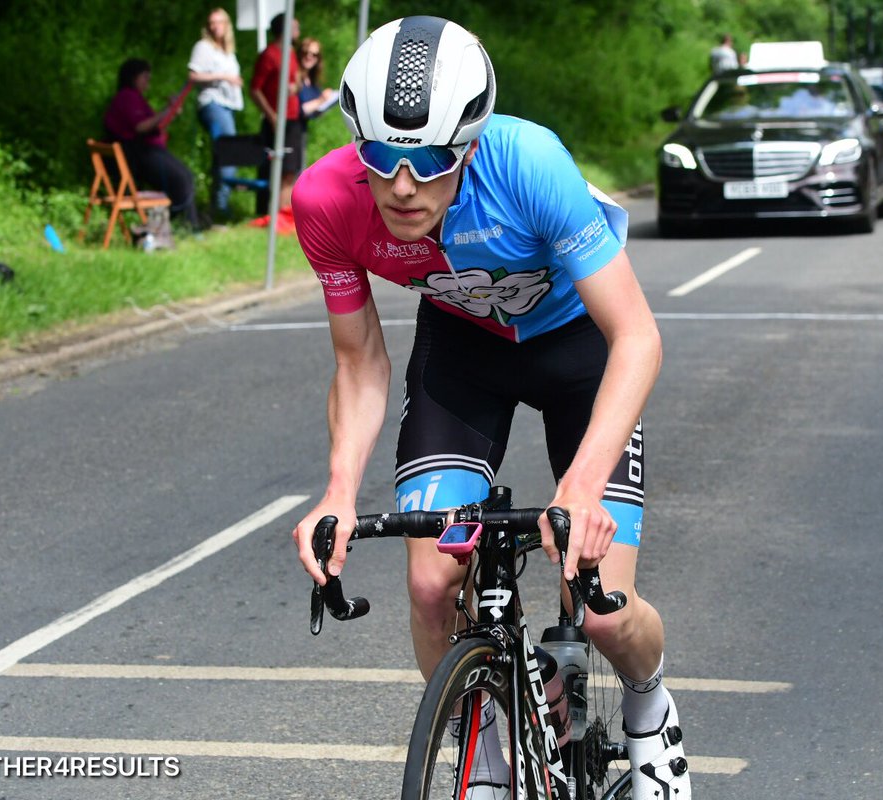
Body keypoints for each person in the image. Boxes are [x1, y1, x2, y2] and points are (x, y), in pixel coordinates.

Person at [289, 16, 690, 800]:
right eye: (382, 157)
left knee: (602, 611)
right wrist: (337, 492)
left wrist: (582, 485)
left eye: (433, 159)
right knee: (431, 583)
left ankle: (649, 708)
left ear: (470, 145)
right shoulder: (325, 201)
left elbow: (637, 336)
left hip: (579, 346)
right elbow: (359, 363)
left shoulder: (528, 163)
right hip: (465, 351)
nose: (404, 185)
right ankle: (485, 757)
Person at [103, 58, 202, 232]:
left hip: (146, 152)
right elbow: (141, 127)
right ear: (133, 77)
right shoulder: (127, 97)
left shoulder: (134, 97)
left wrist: (170, 111)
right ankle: (186, 225)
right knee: (181, 178)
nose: (148, 81)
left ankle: (186, 223)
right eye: (145, 77)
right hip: (138, 155)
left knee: (185, 176)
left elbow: (156, 125)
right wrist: (167, 110)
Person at [188, 7, 244, 219]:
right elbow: (193, 76)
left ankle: (215, 205)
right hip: (213, 103)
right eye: (211, 22)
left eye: (219, 22)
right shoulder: (203, 47)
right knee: (229, 152)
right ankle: (221, 207)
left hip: (228, 105)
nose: (215, 26)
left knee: (223, 154)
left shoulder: (227, 51)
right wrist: (224, 77)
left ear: (226, 24)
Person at [251, 12, 302, 214]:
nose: (298, 31)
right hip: (276, 119)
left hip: (293, 118)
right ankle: (267, 212)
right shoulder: (269, 55)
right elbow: (255, 89)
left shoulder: (291, 52)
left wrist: (296, 86)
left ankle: (284, 213)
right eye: (295, 27)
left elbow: (296, 79)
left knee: (290, 168)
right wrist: (271, 115)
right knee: (271, 168)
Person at [294, 37, 336, 167]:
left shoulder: (312, 81)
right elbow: (298, 109)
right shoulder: (293, 77)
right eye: (305, 52)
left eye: (314, 54)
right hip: (289, 132)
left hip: (301, 133)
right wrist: (321, 100)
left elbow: (313, 111)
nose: (309, 57)